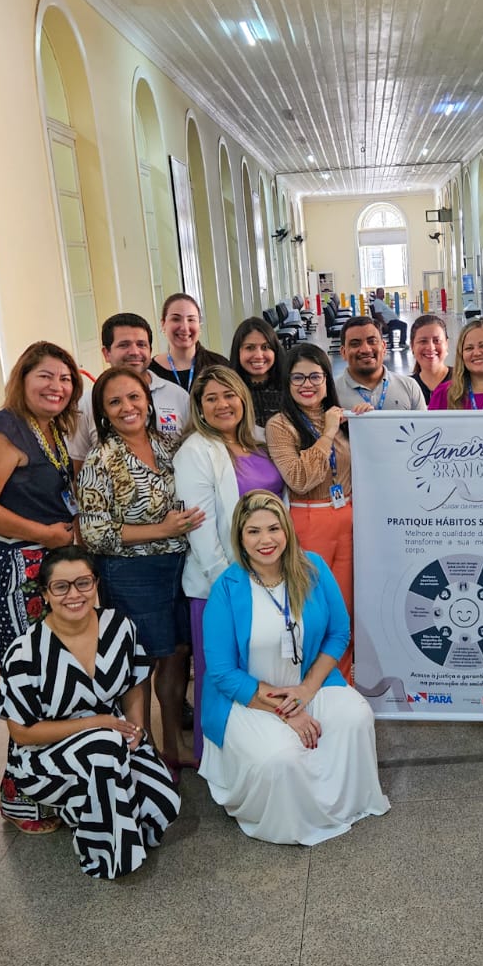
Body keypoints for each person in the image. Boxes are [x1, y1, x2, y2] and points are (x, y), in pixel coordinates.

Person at [199, 491, 389, 843]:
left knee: (356, 717)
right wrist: (287, 710)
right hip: (249, 696)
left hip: (308, 683)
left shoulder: (312, 567)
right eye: (253, 531)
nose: (265, 540)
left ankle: (343, 804)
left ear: (287, 529)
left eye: (273, 528)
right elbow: (222, 671)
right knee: (280, 757)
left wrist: (305, 691)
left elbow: (338, 633)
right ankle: (291, 821)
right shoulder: (227, 588)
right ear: (240, 537)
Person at [0, 546, 182, 879]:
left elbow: (134, 683)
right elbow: (22, 732)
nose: (74, 594)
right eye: (61, 586)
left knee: (163, 801)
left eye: (83, 583)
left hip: (112, 738)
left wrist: (136, 728)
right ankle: (107, 855)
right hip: (44, 758)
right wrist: (98, 724)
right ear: (45, 593)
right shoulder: (25, 652)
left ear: (96, 583)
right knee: (104, 751)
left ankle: (86, 807)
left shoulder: (118, 626)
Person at [0, 340, 82, 834]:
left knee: (54, 675)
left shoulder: (49, 428)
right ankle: (22, 796)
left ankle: (54, 786)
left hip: (44, 564)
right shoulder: (4, 428)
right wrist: (46, 534)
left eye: (65, 379)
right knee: (27, 680)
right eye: (46, 377)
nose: (56, 387)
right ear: (22, 379)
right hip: (13, 566)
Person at [77, 366, 204, 771]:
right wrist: (160, 529)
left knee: (176, 655)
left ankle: (173, 745)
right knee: (139, 664)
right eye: (114, 401)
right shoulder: (102, 459)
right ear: (103, 412)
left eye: (133, 397)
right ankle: (141, 754)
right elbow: (93, 533)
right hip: (132, 574)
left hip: (178, 566)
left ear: (148, 401)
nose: (127, 407)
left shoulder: (168, 445)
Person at [175, 365, 286, 762]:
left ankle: (269, 752)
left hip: (272, 578)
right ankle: (220, 760)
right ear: (200, 409)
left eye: (229, 395)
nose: (223, 404)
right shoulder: (195, 452)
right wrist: (233, 589)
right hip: (222, 588)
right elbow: (200, 531)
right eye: (211, 399)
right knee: (222, 677)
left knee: (265, 672)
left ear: (243, 398)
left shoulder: (259, 441)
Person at [265, 343, 357, 681]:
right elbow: (299, 478)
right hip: (308, 520)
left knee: (344, 610)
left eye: (315, 376)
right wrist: (329, 433)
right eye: (298, 377)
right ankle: (310, 684)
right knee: (313, 610)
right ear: (287, 383)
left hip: (347, 518)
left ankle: (342, 682)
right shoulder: (280, 425)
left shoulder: (339, 415)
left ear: (326, 379)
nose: (307, 384)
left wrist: (356, 421)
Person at [67, 312, 190, 462]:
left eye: (141, 344)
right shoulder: (87, 403)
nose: (134, 352)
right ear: (106, 353)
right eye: (124, 345)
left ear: (150, 351)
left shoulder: (178, 396)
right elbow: (77, 464)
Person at [333, 315, 427, 411]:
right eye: (355, 344)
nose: (365, 349)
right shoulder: (331, 393)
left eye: (372, 341)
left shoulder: (409, 387)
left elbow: (424, 425)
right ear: (343, 352)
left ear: (383, 347)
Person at [149, 292, 228, 393]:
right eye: (176, 319)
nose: (184, 328)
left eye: (191, 319)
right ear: (163, 324)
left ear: (200, 326)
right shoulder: (150, 371)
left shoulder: (220, 365)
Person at [229, 316, 286, 430]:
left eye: (265, 347)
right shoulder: (229, 391)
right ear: (238, 351)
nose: (259, 356)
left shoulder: (290, 386)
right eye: (250, 348)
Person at [408, 312, 451, 398]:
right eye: (423, 341)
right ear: (412, 346)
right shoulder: (406, 387)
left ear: (446, 344)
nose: (431, 347)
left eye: (437, 341)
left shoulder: (463, 381)